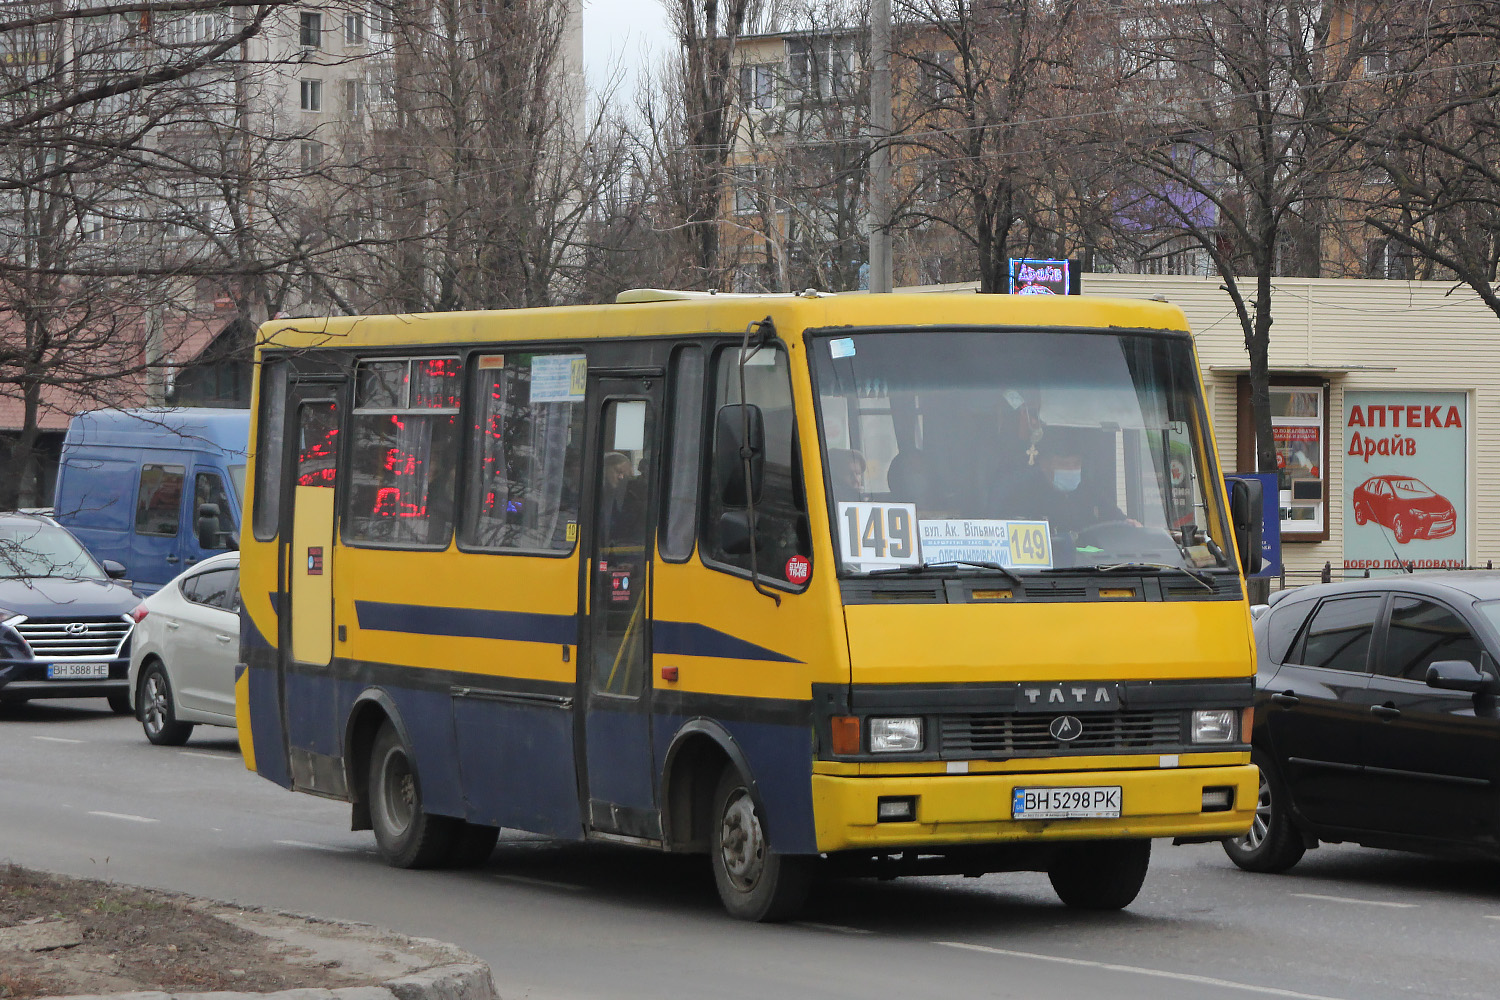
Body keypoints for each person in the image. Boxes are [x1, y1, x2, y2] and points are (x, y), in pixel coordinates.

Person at [1002, 425, 1126, 534]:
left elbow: (1115, 518)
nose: (1072, 469)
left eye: (1077, 463)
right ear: (1045, 465)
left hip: (1089, 559)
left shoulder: (1088, 489)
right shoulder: (1025, 495)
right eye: (1064, 464)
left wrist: (1127, 523)